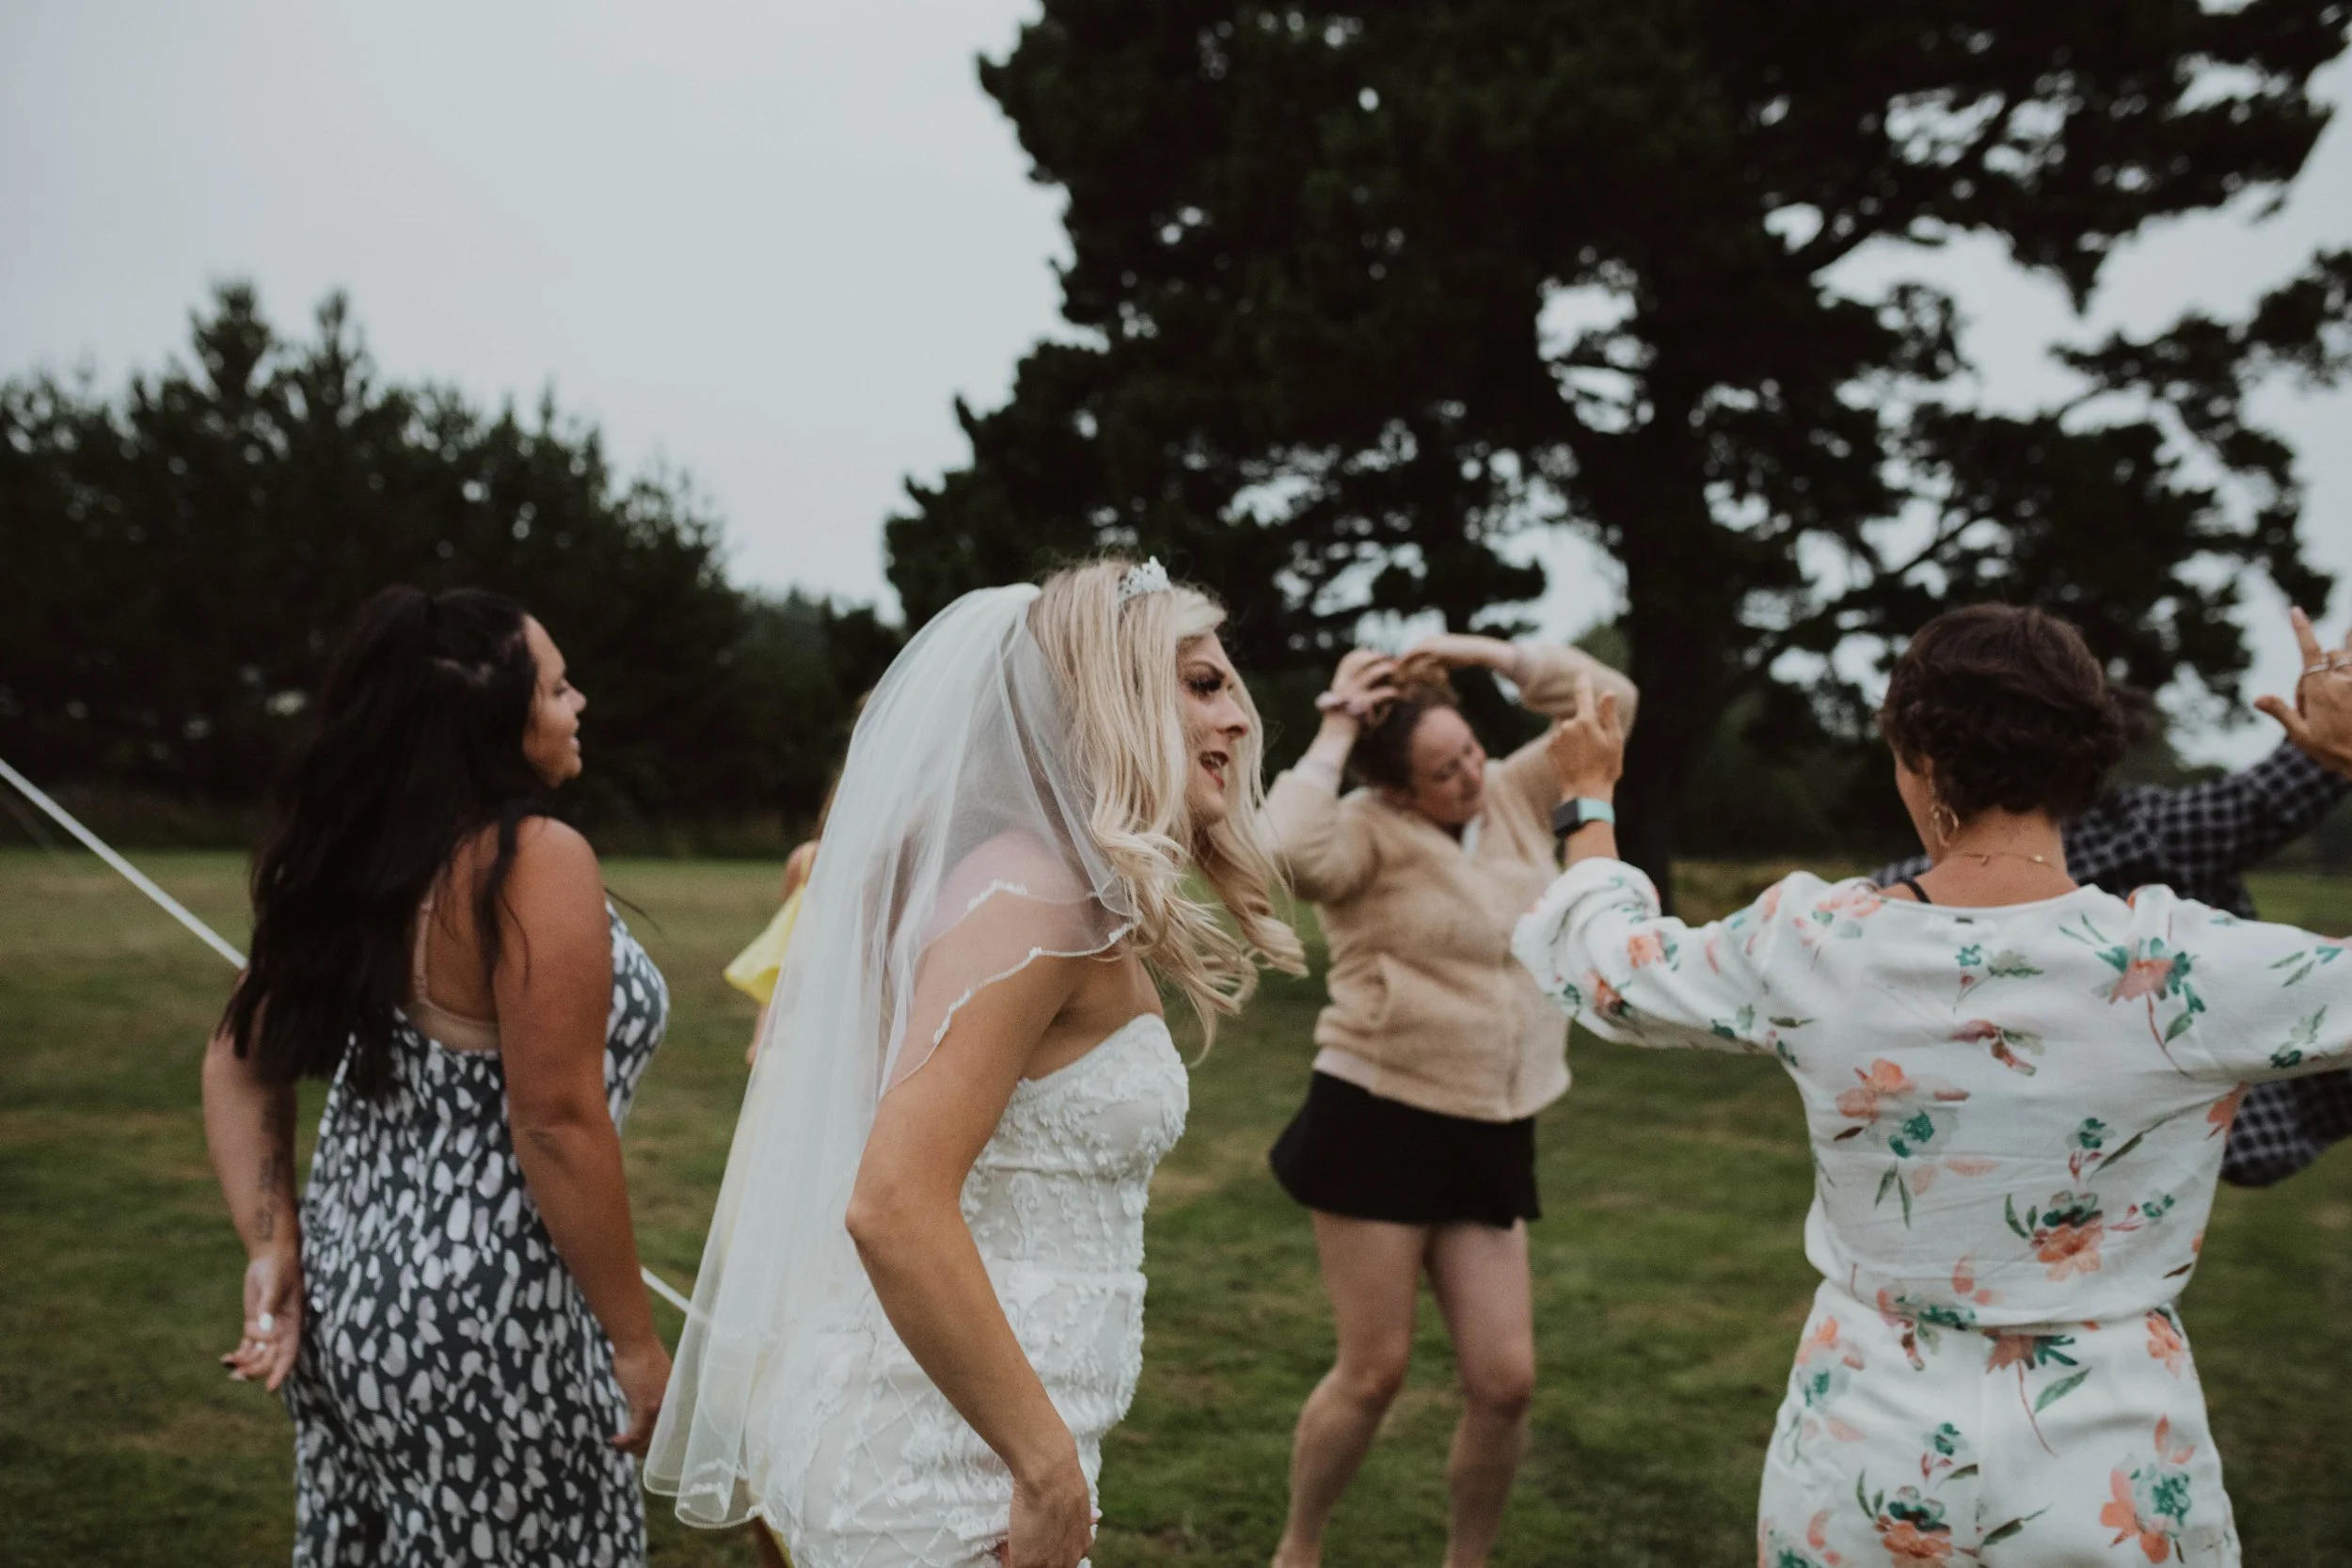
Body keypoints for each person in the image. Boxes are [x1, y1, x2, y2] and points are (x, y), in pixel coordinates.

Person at [1512, 602, 2352, 1566]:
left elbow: (1609, 964)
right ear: (2083, 763)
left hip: (1865, 1446)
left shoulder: (1815, 942)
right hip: (2112, 1460)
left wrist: (1587, 798)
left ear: (1916, 757)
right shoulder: (2183, 966)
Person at [647, 559, 1305, 1568]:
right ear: (1110, 692)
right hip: (942, 1462)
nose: (1240, 718)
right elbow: (894, 1201)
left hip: (981, 1439)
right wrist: (1042, 1465)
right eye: (1203, 683)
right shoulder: (1033, 900)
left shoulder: (1062, 892)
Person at [203, 587, 671, 1567]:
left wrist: (271, 1240)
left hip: (347, 1306)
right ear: (495, 719)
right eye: (556, 684)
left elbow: (235, 1064)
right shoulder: (531, 859)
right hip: (495, 1325)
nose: (578, 701)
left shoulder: (357, 864)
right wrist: (635, 1340)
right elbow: (555, 1121)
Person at [1262, 633, 1637, 1568]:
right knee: (1374, 1370)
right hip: (1377, 1118)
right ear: (1397, 788)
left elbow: (1610, 705)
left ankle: (1467, 1560)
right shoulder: (1361, 830)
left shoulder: (1513, 791)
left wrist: (1491, 653)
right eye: (1442, 770)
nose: (1469, 774)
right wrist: (1335, 726)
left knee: (1505, 1380)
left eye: (1469, 749)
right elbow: (1280, 848)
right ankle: (1298, 1546)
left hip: (1495, 1123)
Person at [1872, 606, 2352, 1189]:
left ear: (1921, 765)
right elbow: (2266, 802)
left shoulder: (1881, 911)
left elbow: (2262, 804)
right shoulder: (2168, 874)